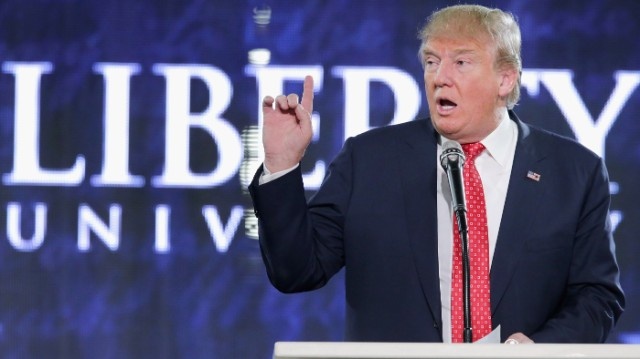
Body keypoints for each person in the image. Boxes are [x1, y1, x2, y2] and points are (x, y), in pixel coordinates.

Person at [248, 4, 624, 343]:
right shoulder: (370, 161)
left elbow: (598, 296)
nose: (440, 77)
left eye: (461, 62)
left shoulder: (574, 172)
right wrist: (282, 164)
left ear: (505, 79)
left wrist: (539, 349)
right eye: (431, 61)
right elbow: (295, 271)